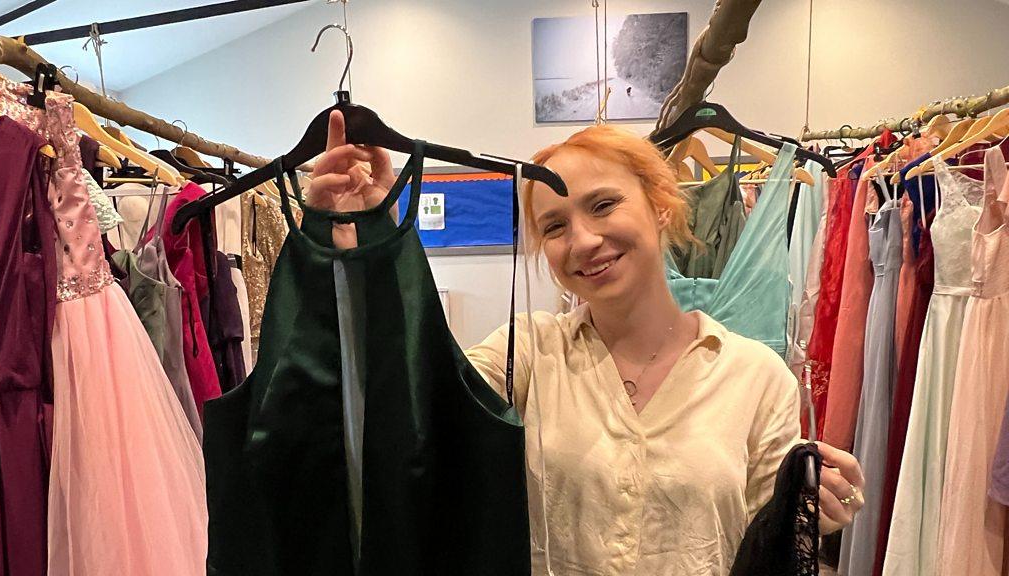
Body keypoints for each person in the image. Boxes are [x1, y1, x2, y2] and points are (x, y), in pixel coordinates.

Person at [307, 110, 865, 575]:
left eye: (603, 205)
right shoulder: (526, 354)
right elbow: (413, 402)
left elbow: (765, 547)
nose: (584, 241)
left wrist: (814, 509)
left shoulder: (756, 376)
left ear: (661, 205)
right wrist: (373, 240)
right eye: (554, 227)